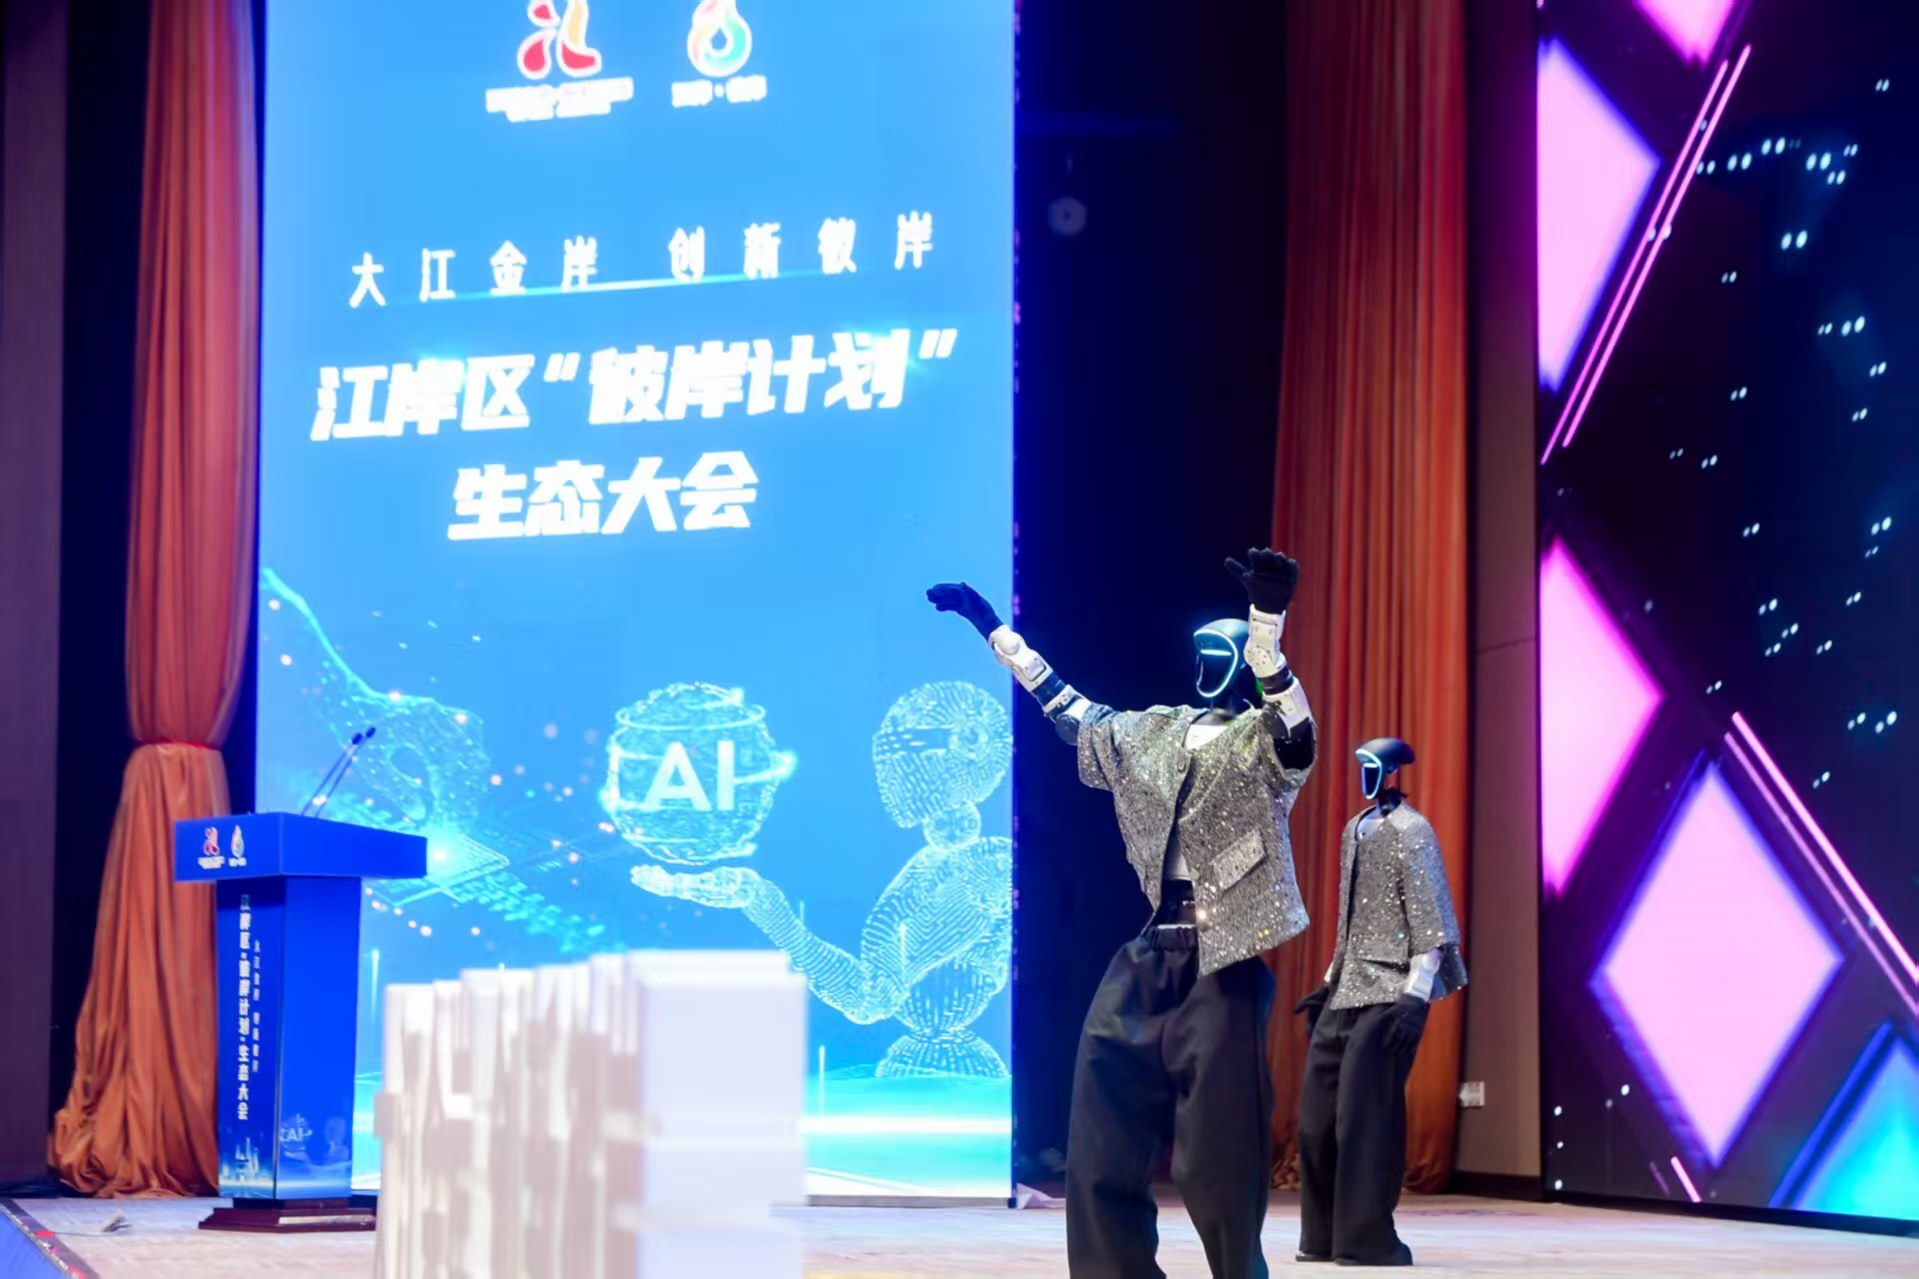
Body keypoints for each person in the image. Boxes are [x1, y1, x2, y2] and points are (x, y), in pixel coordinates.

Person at [928, 549, 1316, 1279]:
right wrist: (995, 632)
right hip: (1150, 949)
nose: (1205, 662)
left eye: (1222, 651)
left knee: (1218, 1150)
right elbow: (1070, 710)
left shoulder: (1260, 743)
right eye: (1201, 650)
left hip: (1226, 952)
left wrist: (1266, 631)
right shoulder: (1151, 731)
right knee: (1102, 1122)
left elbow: (1296, 734)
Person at [1293, 737, 1465, 1268]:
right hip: (1349, 984)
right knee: (1316, 1117)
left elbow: (1430, 918)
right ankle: (1322, 1234)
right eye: (1360, 765)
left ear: (1391, 771)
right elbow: (1351, 919)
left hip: (1392, 988)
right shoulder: (1355, 829)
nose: (1364, 774)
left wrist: (1416, 994)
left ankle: (1366, 1238)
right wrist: (1329, 979)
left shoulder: (1414, 832)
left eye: (1372, 766)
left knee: (1364, 1115)